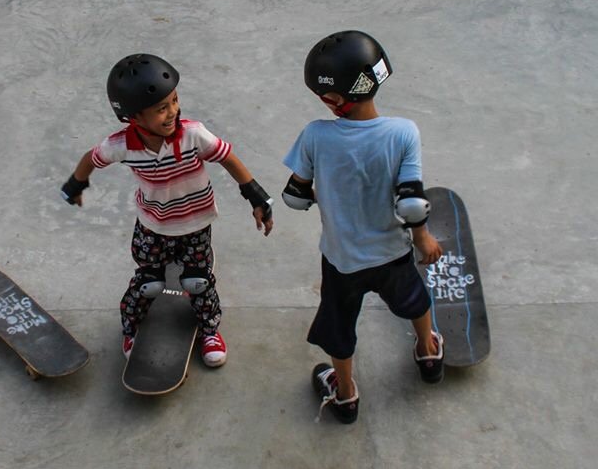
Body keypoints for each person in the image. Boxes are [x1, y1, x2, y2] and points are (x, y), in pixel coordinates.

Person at [61, 54, 274, 367]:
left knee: (198, 282)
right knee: (148, 284)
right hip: (153, 226)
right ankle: (131, 328)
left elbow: (228, 158)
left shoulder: (193, 134)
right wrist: (75, 185)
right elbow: (91, 159)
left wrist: (256, 196)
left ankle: (210, 330)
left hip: (197, 224)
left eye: (174, 100)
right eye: (161, 108)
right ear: (133, 117)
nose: (173, 111)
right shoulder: (122, 145)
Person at [280, 31, 444, 424]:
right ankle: (428, 352)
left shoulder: (315, 135)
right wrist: (422, 239)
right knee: (414, 301)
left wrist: (328, 195)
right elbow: (410, 200)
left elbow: (295, 198)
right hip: (392, 252)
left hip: (342, 259)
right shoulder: (404, 132)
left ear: (333, 99)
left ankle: (347, 394)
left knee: (339, 327)